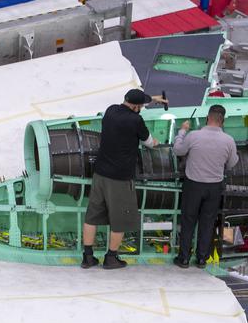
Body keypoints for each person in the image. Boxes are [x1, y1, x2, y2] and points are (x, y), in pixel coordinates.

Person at [82, 88, 167, 270]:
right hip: (119, 178)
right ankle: (111, 258)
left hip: (100, 173)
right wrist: (157, 142)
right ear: (136, 107)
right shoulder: (136, 120)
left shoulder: (111, 110)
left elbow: (134, 104)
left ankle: (87, 257)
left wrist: (154, 98)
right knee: (119, 219)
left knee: (92, 216)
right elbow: (149, 142)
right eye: (142, 106)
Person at [172, 105, 239, 268]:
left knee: (188, 221)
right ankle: (202, 259)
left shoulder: (194, 136)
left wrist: (182, 131)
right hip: (214, 187)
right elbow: (231, 163)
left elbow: (178, 150)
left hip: (193, 185)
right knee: (207, 223)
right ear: (222, 121)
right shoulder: (229, 140)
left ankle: (184, 258)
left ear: (208, 118)